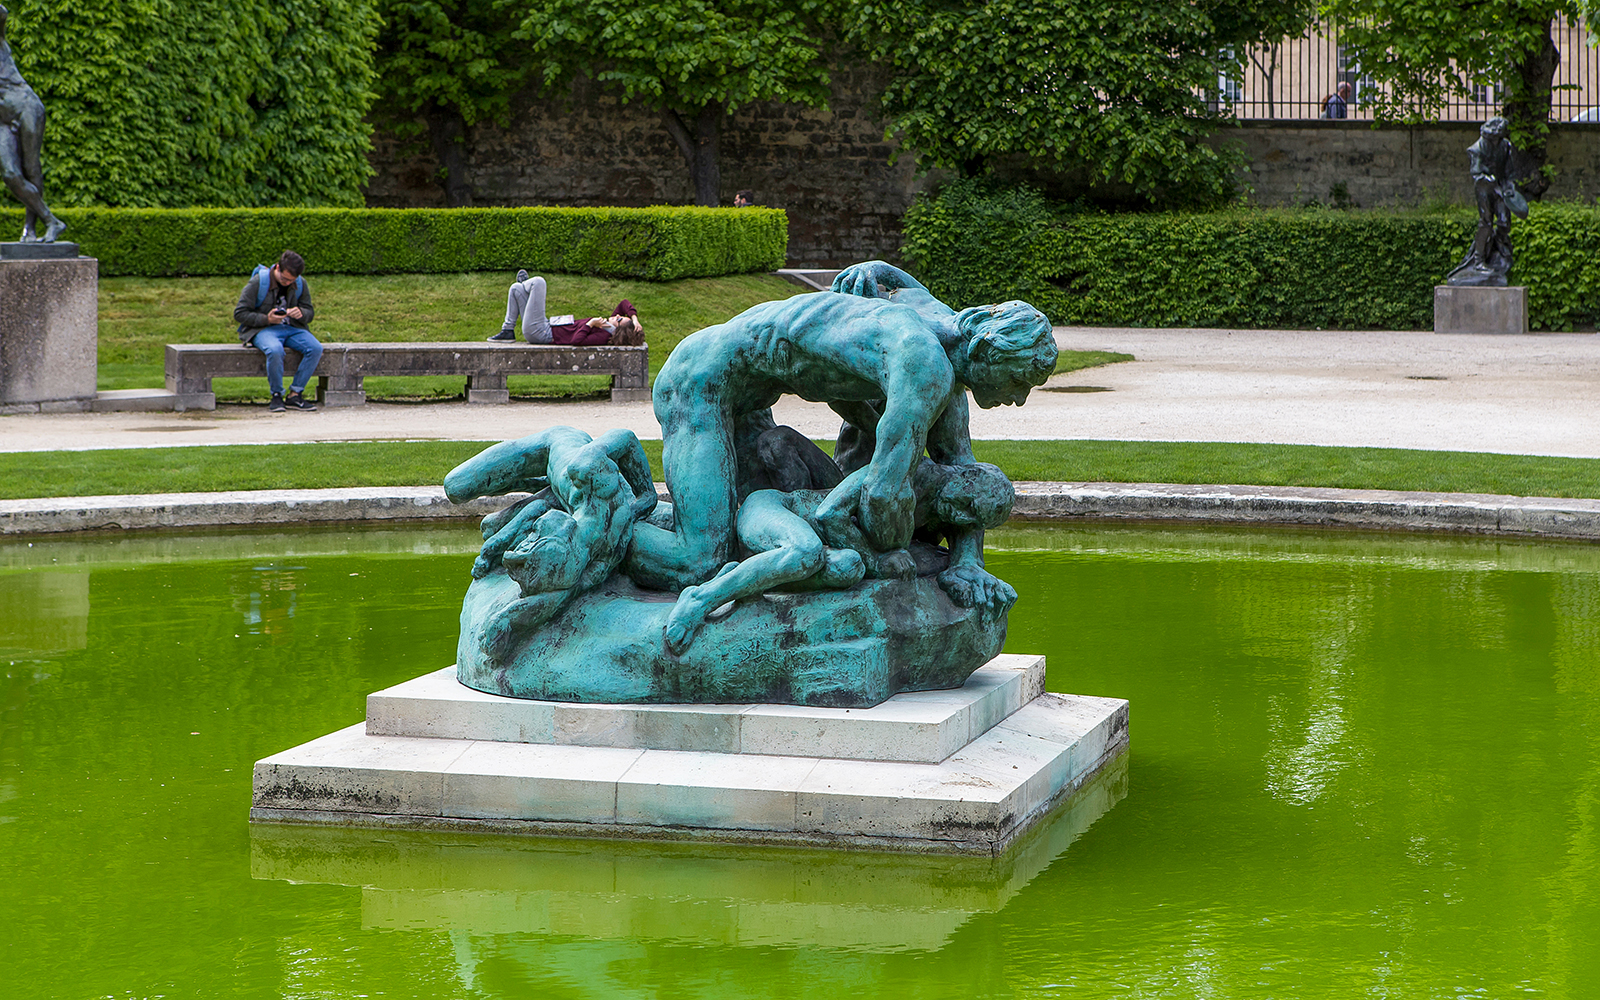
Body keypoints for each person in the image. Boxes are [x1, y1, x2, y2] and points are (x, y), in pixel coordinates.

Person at [622, 259, 1055, 614]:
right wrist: (892, 556)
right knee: (698, 558)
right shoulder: (924, 364)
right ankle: (600, 518)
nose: (1018, 398)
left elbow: (963, 472)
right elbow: (882, 493)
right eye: (1018, 380)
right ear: (984, 351)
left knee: (735, 528)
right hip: (700, 383)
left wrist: (967, 561)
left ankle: (638, 514)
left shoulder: (945, 326)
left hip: (751, 393)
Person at [662, 458, 1016, 655]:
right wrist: (877, 562)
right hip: (775, 509)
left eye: (973, 519)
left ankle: (743, 577)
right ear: (966, 477)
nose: (962, 518)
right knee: (805, 552)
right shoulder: (902, 470)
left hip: (816, 544)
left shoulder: (940, 510)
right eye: (968, 505)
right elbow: (828, 513)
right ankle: (701, 598)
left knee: (848, 567)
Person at [0, 4, 66, 243]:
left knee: (31, 168)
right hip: (3, 120)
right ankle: (52, 220)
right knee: (10, 173)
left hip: (25, 105)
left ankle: (31, 228)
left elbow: (2, 13)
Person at [233, 250, 322, 412]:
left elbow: (309, 312)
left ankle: (295, 394)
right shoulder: (258, 282)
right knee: (274, 350)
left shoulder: (300, 283)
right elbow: (240, 313)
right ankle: (276, 395)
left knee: (315, 348)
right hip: (264, 329)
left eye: (291, 280)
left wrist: (301, 313)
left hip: (292, 328)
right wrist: (266, 319)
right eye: (285, 279)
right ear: (278, 268)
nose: (287, 283)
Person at [488, 269, 643, 345]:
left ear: (617, 331)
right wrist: (635, 320)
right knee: (515, 289)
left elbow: (577, 341)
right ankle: (507, 330)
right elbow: (624, 303)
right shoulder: (606, 324)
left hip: (542, 333)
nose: (617, 315)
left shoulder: (603, 335)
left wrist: (590, 324)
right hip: (545, 325)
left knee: (539, 282)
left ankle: (525, 284)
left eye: (619, 319)